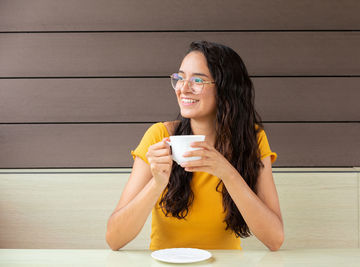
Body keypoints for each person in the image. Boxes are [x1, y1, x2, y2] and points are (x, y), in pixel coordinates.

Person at [106, 40, 284, 251]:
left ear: (226, 90)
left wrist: (227, 172)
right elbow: (114, 239)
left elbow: (275, 239)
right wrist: (157, 184)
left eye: (198, 80)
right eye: (180, 78)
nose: (183, 88)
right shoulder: (160, 136)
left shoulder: (252, 140)